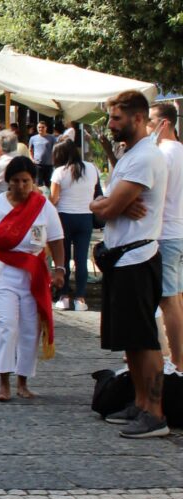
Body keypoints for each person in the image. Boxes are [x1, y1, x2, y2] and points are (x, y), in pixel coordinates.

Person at [90, 90, 169, 439]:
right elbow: (106, 204)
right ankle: (140, 403)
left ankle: (155, 414)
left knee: (144, 339)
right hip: (123, 257)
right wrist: (110, 202)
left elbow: (105, 209)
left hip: (137, 257)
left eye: (117, 119)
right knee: (130, 341)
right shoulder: (129, 155)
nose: (110, 125)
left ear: (138, 118)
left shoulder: (144, 158)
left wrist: (109, 204)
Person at [0, 156, 66, 401]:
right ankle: (4, 381)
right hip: (1, 271)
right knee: (6, 325)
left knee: (30, 328)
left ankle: (23, 380)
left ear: (33, 182)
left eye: (26, 181)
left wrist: (60, 269)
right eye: (16, 181)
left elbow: (56, 239)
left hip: (33, 273)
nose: (21, 186)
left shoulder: (43, 207)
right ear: (7, 182)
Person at [150, 103, 183, 374]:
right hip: (177, 231)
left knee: (168, 299)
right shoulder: (180, 152)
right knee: (175, 297)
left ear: (164, 123)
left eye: (150, 121)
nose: (146, 127)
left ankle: (177, 359)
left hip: (166, 232)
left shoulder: (163, 154)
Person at [50, 141, 98, 312]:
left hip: (63, 218)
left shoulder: (59, 172)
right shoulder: (91, 168)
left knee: (62, 260)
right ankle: (80, 298)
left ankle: (64, 296)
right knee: (81, 259)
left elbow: (54, 199)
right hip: (86, 217)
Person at [29, 121, 57, 187]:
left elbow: (56, 149)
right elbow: (30, 150)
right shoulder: (33, 138)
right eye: (39, 127)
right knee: (38, 184)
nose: (40, 129)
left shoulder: (52, 138)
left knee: (49, 184)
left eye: (42, 127)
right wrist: (32, 159)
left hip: (49, 165)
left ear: (46, 128)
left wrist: (54, 160)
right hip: (38, 165)